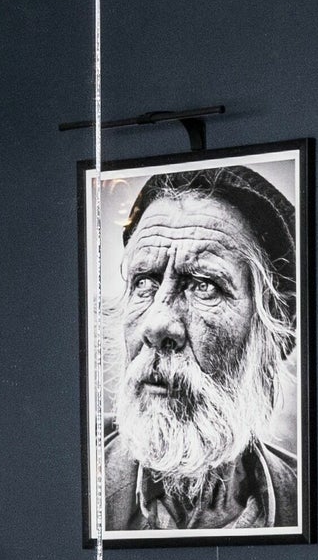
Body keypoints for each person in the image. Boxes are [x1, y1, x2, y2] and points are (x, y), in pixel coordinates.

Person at [95, 164, 299, 532]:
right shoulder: (76, 489)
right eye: (144, 283)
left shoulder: (304, 503)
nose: (156, 325)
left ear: (277, 332)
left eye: (203, 285)